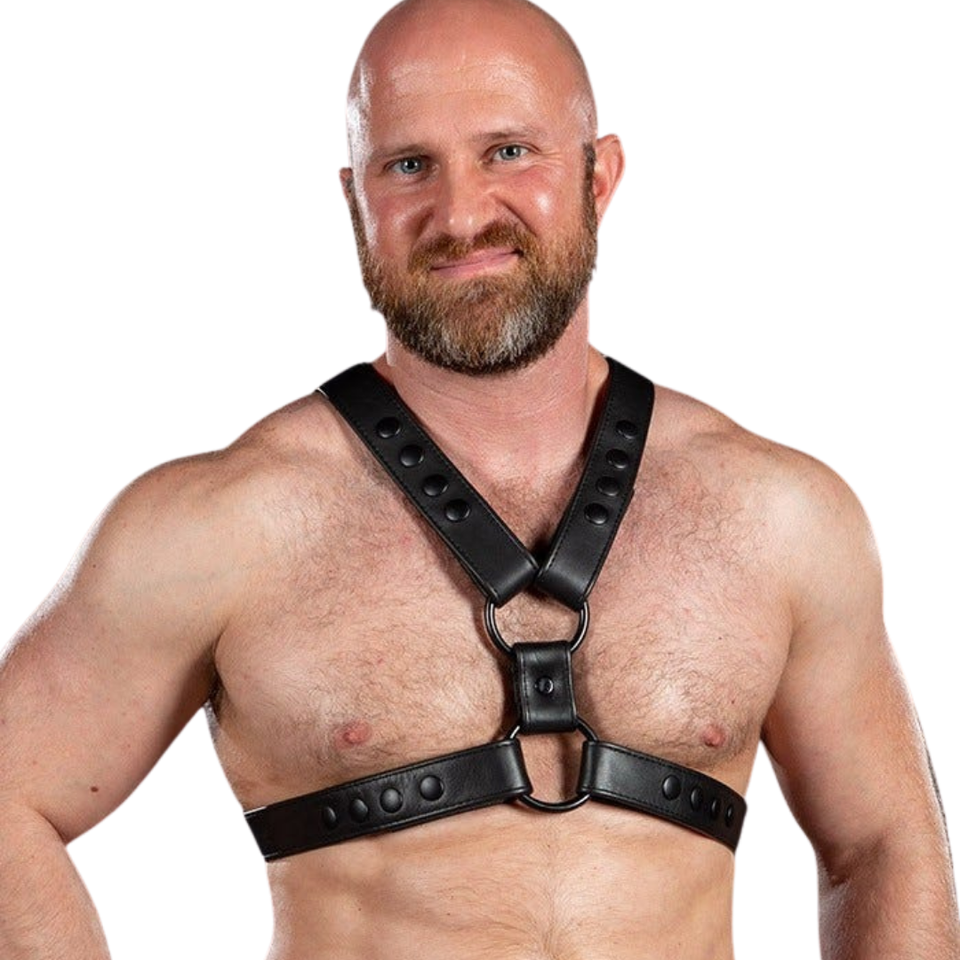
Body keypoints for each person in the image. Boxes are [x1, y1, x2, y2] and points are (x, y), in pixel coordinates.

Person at [1, 0, 958, 957]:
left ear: (599, 176)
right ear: (355, 201)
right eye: (409, 165)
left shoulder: (779, 517)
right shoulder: (219, 527)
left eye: (508, 152)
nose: (461, 215)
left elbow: (884, 846)